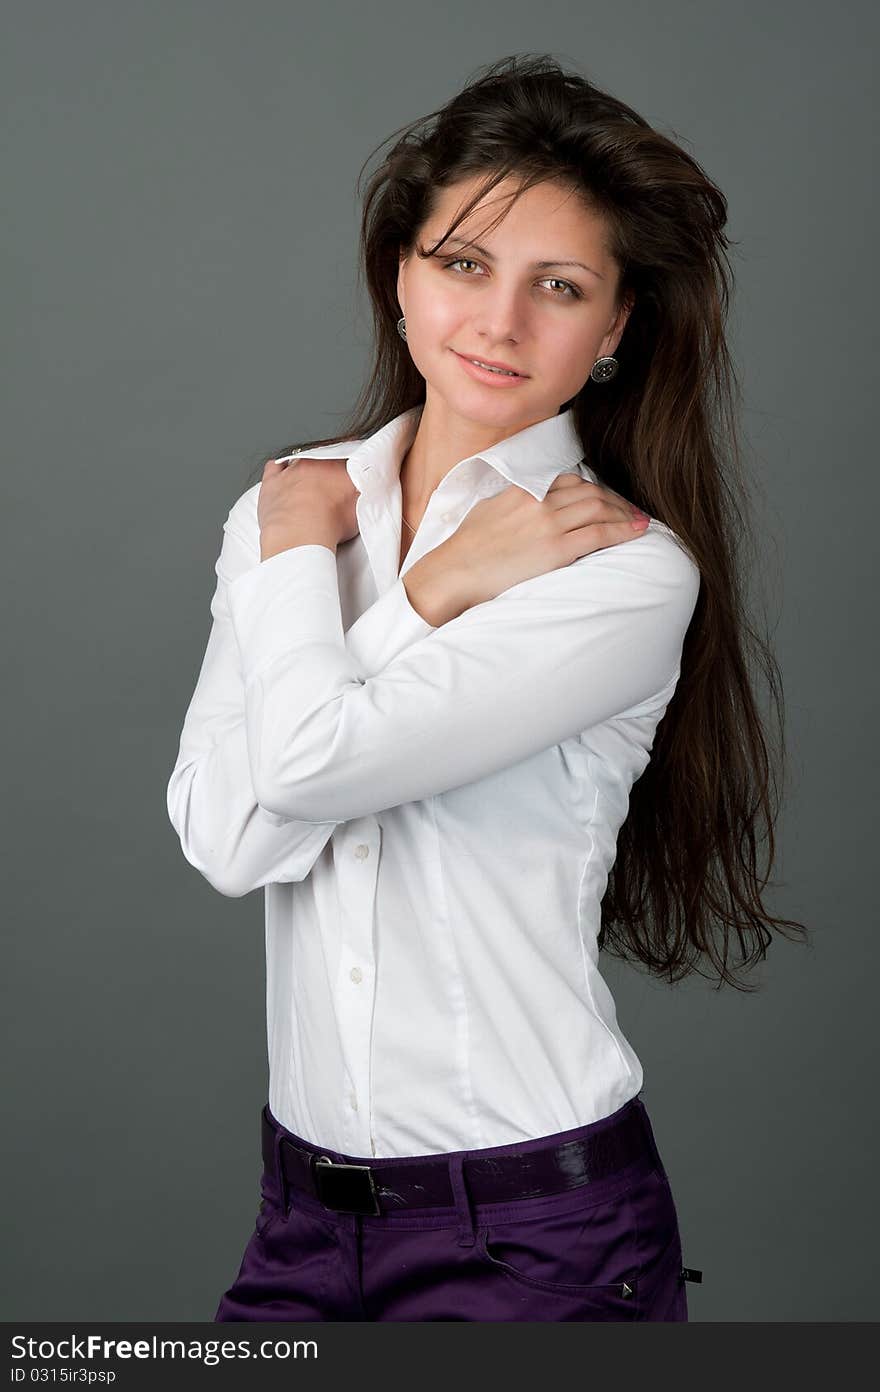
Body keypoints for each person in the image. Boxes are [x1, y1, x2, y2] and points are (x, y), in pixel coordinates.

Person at [166, 54, 806, 1322]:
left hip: (534, 1232)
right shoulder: (292, 509)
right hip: (300, 1218)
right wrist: (426, 587)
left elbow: (304, 767)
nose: (498, 323)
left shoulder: (617, 568)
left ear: (614, 329)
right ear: (400, 274)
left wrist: (352, 578)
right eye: (463, 265)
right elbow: (228, 841)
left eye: (557, 288)